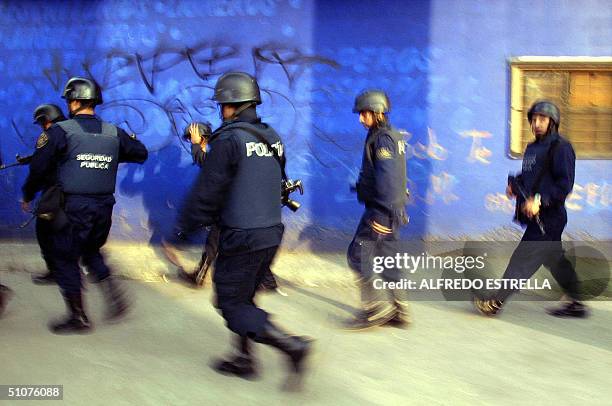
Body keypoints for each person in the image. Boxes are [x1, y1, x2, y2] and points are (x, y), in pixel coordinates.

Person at [172, 72, 311, 389]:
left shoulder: (229, 139)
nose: (221, 111)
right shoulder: (271, 136)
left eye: (222, 105)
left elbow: (207, 190)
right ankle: (244, 359)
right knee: (244, 298)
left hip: (242, 236)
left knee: (230, 305)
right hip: (270, 233)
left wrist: (181, 231)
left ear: (229, 105)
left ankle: (293, 347)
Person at [21, 77, 148, 334]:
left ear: (75, 101)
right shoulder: (113, 132)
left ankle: (78, 317)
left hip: (72, 206)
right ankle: (115, 297)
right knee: (90, 250)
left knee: (64, 256)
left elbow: (39, 168)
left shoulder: (60, 131)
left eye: (69, 100)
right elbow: (140, 153)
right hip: (103, 208)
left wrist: (28, 194)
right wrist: (109, 154)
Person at [474, 100, 588, 318]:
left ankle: (495, 302)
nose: (536, 123)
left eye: (542, 119)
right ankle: (576, 302)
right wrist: (515, 184)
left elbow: (565, 185)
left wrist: (539, 200)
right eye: (533, 119)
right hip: (538, 217)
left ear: (553, 122)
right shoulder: (534, 147)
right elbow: (533, 177)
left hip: (548, 217)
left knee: (523, 258)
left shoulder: (561, 147)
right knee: (554, 259)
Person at [175, 122, 278, 291]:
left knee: (224, 242)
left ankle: (200, 277)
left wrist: (196, 146)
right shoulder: (232, 144)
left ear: (202, 138)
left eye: (193, 137)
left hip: (234, 206)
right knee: (232, 242)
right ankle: (267, 279)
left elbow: (206, 162)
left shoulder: (224, 147)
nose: (191, 141)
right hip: (241, 205)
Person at [346, 90, 410, 330]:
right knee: (388, 259)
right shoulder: (390, 136)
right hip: (390, 209)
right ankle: (399, 311)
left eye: (364, 114)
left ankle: (374, 310)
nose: (361, 119)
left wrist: (381, 213)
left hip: (381, 211)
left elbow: (389, 178)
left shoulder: (383, 139)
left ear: (378, 113)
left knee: (357, 255)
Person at [26, 104, 67, 285]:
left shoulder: (48, 136)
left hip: (54, 194)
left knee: (45, 232)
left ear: (46, 120)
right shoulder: (73, 131)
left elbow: (38, 169)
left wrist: (27, 195)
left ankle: (56, 271)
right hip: (79, 193)